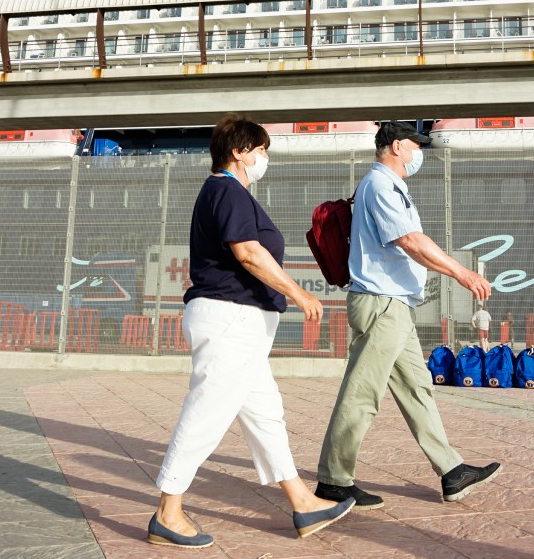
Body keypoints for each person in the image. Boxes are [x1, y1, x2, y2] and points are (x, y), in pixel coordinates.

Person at [150, 114, 353, 549]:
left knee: (265, 414)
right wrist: (298, 293)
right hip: (230, 320)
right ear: (240, 152)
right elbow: (248, 252)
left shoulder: (227, 193)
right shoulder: (227, 190)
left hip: (241, 323)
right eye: (260, 151)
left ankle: (302, 502)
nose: (264, 158)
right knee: (206, 413)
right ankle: (168, 512)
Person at [316, 121, 500, 509]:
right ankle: (333, 480)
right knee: (363, 392)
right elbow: (411, 242)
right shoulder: (381, 185)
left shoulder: (388, 186)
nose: (419, 154)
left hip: (394, 304)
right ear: (397, 146)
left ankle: (452, 471)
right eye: (416, 146)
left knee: (418, 388)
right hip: (381, 304)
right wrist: (462, 273)